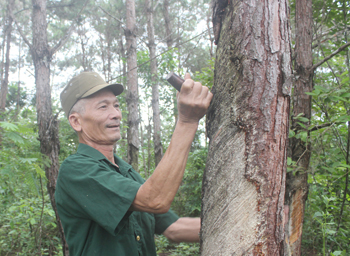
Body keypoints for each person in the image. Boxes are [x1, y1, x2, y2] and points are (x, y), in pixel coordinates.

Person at [55, 71, 213, 256]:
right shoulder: (75, 170)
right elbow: (155, 199)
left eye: (116, 105)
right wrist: (187, 120)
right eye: (103, 107)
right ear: (76, 122)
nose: (116, 114)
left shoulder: (125, 172)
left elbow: (174, 228)